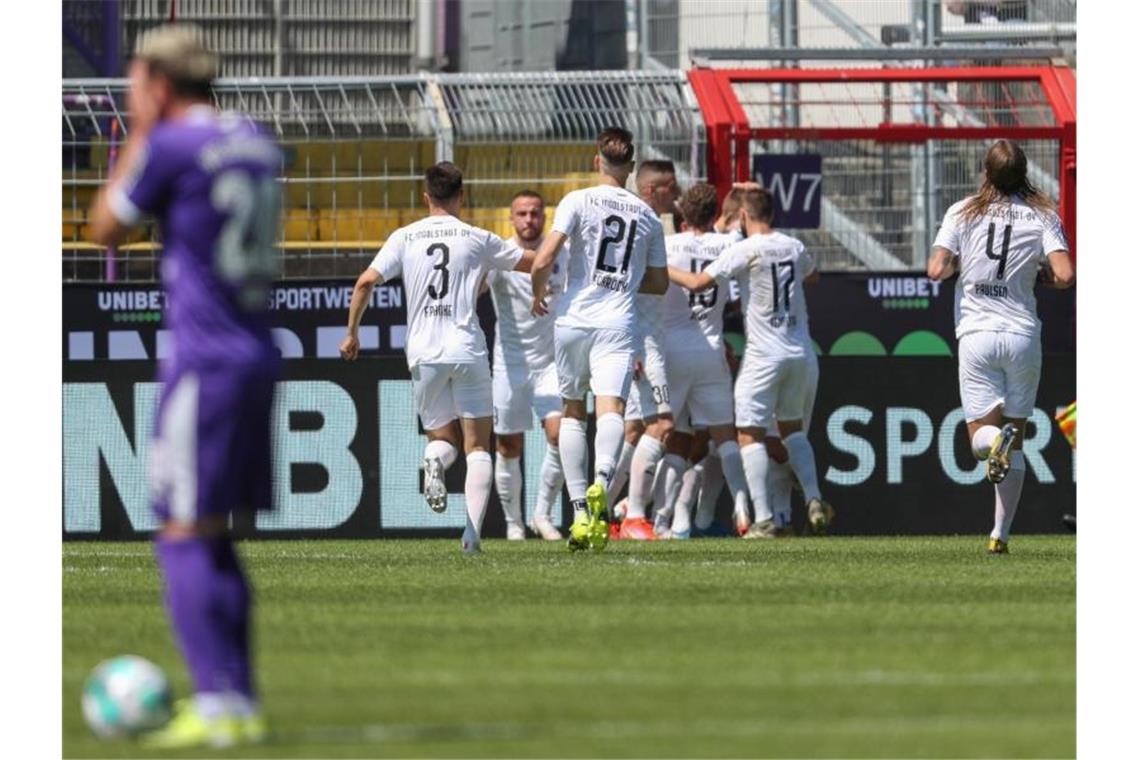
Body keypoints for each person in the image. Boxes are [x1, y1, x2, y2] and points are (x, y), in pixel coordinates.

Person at [88, 25, 279, 748]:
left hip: (205, 358)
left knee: (179, 532)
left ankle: (218, 704)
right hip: (258, 349)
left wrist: (138, 132)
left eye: (138, 82)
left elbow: (105, 225)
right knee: (216, 535)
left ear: (159, 86)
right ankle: (239, 700)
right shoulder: (254, 139)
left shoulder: (170, 143)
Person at [341, 162, 534, 554]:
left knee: (441, 439)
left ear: (426, 196)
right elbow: (532, 263)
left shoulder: (405, 237)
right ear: (462, 196)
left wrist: (351, 333)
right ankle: (472, 538)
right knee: (477, 446)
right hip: (467, 348)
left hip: (424, 353)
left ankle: (435, 464)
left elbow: (365, 282)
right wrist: (552, 274)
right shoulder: (478, 237)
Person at [928, 139, 1073, 554]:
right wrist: (1038, 276)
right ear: (1023, 173)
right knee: (1016, 442)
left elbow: (937, 269)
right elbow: (1065, 274)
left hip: (976, 332)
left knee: (983, 441)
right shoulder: (1043, 213)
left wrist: (966, 266)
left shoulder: (961, 211)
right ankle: (1001, 534)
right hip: (1022, 334)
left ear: (985, 172)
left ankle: (994, 443)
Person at [530, 126, 669, 552]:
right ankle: (603, 483)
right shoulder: (647, 215)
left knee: (573, 410)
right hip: (617, 322)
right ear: (630, 168)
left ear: (598, 162)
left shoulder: (577, 200)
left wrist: (538, 292)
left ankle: (576, 514)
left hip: (573, 320)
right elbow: (661, 283)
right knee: (613, 407)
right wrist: (623, 283)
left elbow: (546, 256)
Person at [668, 187, 833, 539]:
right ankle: (815, 498)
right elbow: (812, 275)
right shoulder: (794, 246)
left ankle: (763, 518)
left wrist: (662, 267)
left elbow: (698, 283)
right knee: (792, 430)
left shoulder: (743, 250)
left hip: (764, 357)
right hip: (800, 354)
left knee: (749, 435)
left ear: (743, 216)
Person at [654, 183, 751, 540]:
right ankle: (742, 504)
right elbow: (736, 218)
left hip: (672, 351)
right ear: (714, 216)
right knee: (726, 437)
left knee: (669, 435)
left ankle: (656, 515)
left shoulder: (666, 245)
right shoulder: (730, 244)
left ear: (682, 216)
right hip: (711, 348)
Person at [484, 190, 565, 541]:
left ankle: (542, 515)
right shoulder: (499, 256)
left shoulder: (562, 252)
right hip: (510, 364)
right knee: (508, 446)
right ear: (511, 217)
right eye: (522, 214)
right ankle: (513, 524)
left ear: (544, 216)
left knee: (563, 437)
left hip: (552, 362)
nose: (529, 220)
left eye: (535, 213)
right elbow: (467, 291)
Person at [613, 160, 682, 539]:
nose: (678, 194)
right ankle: (635, 516)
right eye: (672, 187)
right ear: (653, 190)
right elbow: (637, 286)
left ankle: (603, 509)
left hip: (641, 338)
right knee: (662, 424)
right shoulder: (643, 224)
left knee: (635, 429)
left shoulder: (636, 222)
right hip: (643, 341)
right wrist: (634, 344)